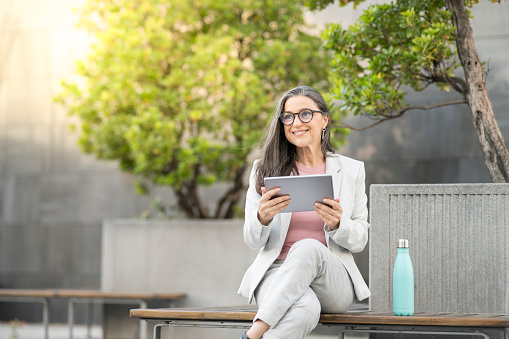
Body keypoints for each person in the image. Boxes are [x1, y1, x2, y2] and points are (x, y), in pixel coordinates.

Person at [237, 86, 370, 339]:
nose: (296, 122)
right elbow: (253, 240)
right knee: (305, 310)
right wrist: (262, 218)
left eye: (305, 114)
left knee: (308, 247)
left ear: (324, 119)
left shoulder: (352, 170)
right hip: (277, 272)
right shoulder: (264, 169)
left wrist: (338, 224)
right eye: (288, 117)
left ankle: (253, 334)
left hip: (332, 279)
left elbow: (361, 239)